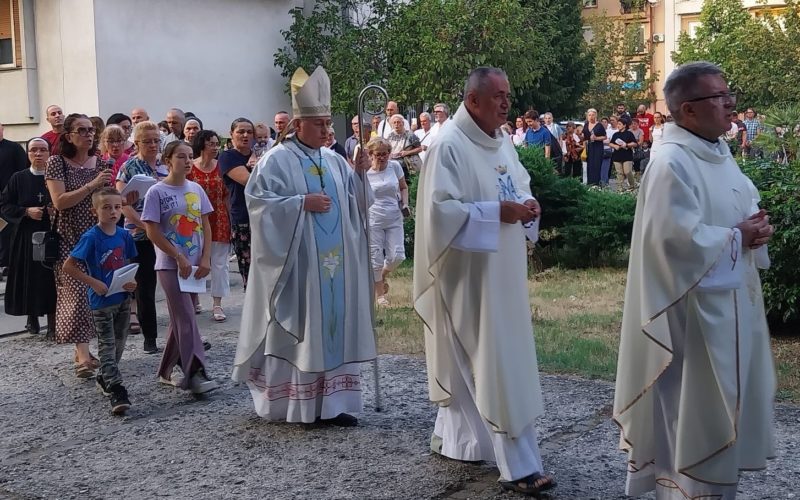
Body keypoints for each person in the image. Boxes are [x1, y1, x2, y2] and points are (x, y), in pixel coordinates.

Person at [614, 61, 775, 499]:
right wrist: (736, 237)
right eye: (718, 97)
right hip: (693, 317)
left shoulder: (718, 152)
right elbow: (672, 242)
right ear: (687, 110)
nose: (730, 104)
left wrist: (756, 230)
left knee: (724, 415)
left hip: (732, 309)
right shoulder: (671, 163)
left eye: (729, 95)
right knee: (693, 416)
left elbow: (741, 212)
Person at [413, 66, 556, 497]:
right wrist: (499, 213)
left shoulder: (501, 143)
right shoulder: (448, 146)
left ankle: (460, 442)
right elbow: (440, 213)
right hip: (468, 278)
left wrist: (527, 205)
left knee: (485, 360)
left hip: (504, 274)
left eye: (508, 96)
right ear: (473, 100)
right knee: (491, 363)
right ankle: (518, 464)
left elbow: (518, 186)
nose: (506, 103)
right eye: (498, 96)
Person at [232, 66, 376, 427]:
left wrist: (359, 175)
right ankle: (298, 404)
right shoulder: (275, 160)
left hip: (334, 267)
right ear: (298, 126)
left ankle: (333, 404)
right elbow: (260, 205)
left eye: (329, 124)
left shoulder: (333, 160)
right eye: (320, 124)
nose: (328, 131)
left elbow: (357, 204)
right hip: (299, 269)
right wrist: (299, 203)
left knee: (331, 326)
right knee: (306, 329)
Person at [142, 141, 218, 394]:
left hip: (195, 265)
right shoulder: (156, 192)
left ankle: (166, 369)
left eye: (189, 156)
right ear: (168, 161)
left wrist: (205, 257)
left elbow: (205, 224)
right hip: (170, 266)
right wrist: (177, 256)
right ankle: (195, 372)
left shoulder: (196, 188)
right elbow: (152, 230)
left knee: (181, 318)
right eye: (181, 157)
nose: (187, 161)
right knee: (185, 316)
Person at [46, 113, 113, 378]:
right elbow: (60, 201)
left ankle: (86, 350)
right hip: (68, 236)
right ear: (69, 135)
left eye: (91, 130)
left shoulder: (102, 163)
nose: (89, 134)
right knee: (74, 294)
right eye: (82, 130)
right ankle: (83, 355)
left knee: (94, 294)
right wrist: (91, 185)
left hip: (96, 235)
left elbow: (107, 199)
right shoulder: (57, 163)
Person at [63, 187, 138, 414]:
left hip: (122, 298)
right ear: (95, 210)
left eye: (117, 207)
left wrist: (131, 282)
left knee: (119, 344)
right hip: (101, 302)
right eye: (107, 208)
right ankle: (116, 389)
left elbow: (128, 262)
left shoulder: (124, 235)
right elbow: (69, 266)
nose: (113, 212)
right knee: (107, 346)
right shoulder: (91, 237)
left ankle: (105, 377)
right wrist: (92, 282)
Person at [116, 121, 167, 352]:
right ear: (137, 143)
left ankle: (183, 335)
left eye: (156, 140)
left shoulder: (166, 165)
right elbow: (122, 205)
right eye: (147, 141)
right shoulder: (129, 167)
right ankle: (151, 338)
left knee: (174, 285)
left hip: (167, 233)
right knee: (145, 287)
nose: (153, 145)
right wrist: (145, 227)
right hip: (141, 235)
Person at [1, 137, 56, 336]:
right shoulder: (18, 178)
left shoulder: (56, 177)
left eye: (43, 150)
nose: (38, 154)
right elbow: (5, 205)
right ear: (28, 154)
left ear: (50, 153)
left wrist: (54, 211)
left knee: (50, 277)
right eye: (34, 150)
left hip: (51, 235)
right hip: (26, 236)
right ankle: (31, 317)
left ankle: (52, 321)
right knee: (30, 278)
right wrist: (25, 212)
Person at [188, 130, 231, 322]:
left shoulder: (222, 167)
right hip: (194, 219)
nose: (216, 147)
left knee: (220, 264)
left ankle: (217, 303)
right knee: (195, 260)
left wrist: (232, 219)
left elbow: (227, 194)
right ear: (202, 145)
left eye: (217, 144)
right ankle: (193, 298)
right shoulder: (191, 168)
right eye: (211, 144)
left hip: (219, 217)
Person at [365, 138, 408, 306]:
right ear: (371, 154)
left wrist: (405, 203)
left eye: (386, 154)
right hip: (373, 217)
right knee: (375, 257)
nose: (382, 157)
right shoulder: (365, 172)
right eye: (378, 154)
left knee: (397, 256)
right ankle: (380, 295)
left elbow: (403, 187)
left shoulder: (395, 167)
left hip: (394, 216)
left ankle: (381, 277)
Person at [218, 117, 255, 291]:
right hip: (243, 217)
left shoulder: (261, 154)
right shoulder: (228, 157)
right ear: (231, 134)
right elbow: (249, 181)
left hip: (266, 216)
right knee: (250, 270)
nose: (245, 135)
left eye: (249, 131)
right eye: (240, 131)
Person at [0, 121, 28, 275]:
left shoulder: (14, 148)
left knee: (7, 231)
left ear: (2, 128)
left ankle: (6, 263)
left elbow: (22, 171)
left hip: (9, 199)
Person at [387, 114, 423, 179]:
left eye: (398, 122)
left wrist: (407, 153)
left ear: (403, 123)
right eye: (394, 122)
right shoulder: (390, 136)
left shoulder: (410, 135)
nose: (396, 124)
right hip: (392, 165)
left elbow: (420, 149)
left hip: (406, 166)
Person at [609, 115, 638, 191]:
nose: (618, 126)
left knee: (627, 171)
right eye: (617, 124)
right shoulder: (615, 134)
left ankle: (632, 186)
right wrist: (615, 146)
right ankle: (620, 188)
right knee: (619, 173)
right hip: (617, 155)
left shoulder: (629, 133)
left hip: (627, 156)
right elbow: (610, 143)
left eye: (619, 124)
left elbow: (635, 143)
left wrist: (627, 145)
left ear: (624, 125)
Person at [583, 108, 606, 185]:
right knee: (589, 165)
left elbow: (605, 137)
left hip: (597, 148)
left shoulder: (599, 125)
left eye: (593, 115)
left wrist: (596, 138)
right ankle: (589, 184)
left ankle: (596, 184)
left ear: (595, 115)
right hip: (589, 147)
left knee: (596, 165)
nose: (591, 117)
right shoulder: (586, 125)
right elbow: (584, 137)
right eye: (589, 115)